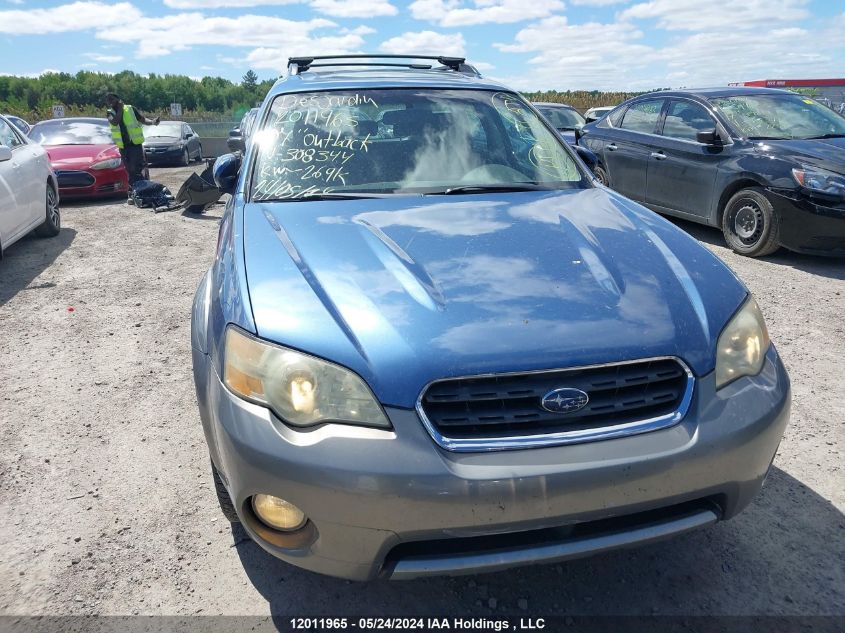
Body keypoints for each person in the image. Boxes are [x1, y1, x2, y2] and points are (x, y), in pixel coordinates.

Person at [105, 93, 159, 188]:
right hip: (123, 146)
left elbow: (142, 119)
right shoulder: (110, 113)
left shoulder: (130, 109)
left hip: (134, 145)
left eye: (112, 99)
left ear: (118, 99)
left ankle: (142, 188)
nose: (110, 102)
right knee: (129, 170)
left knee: (136, 169)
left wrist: (152, 122)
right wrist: (120, 108)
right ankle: (135, 191)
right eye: (108, 100)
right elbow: (115, 122)